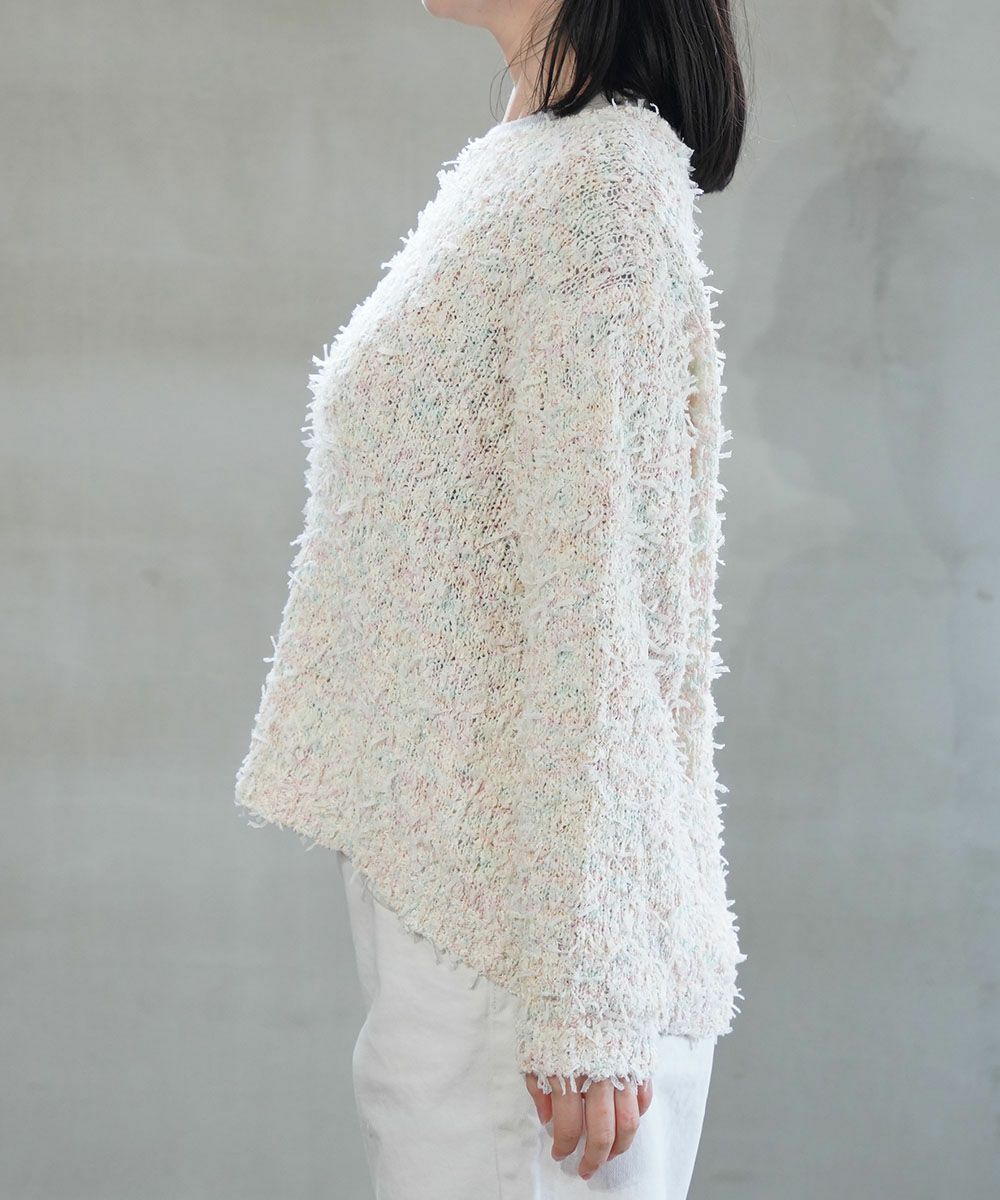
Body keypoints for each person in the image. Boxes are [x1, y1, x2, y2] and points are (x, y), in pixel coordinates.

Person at [234, 1, 749, 1195]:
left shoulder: (598, 189)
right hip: (472, 917)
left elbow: (600, 605)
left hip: (529, 956)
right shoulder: (527, 168)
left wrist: (588, 991)